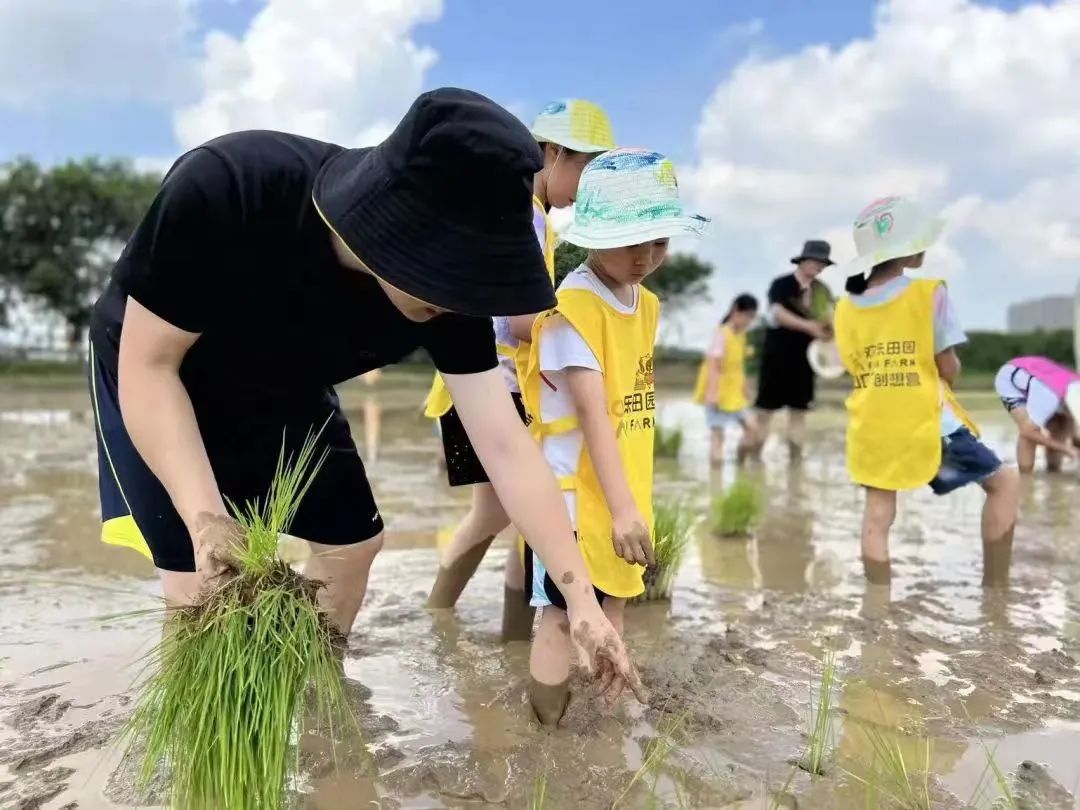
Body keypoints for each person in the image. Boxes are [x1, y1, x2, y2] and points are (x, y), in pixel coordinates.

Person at [88, 87, 643, 700]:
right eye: (450, 276)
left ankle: (314, 703)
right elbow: (150, 365)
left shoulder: (454, 296)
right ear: (398, 227)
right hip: (163, 365)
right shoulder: (230, 187)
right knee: (200, 586)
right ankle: (197, 738)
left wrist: (581, 601)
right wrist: (206, 517)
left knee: (353, 546)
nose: (459, 300)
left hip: (289, 376)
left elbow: (507, 447)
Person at [519, 148, 709, 724]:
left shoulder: (644, 304)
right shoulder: (574, 308)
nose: (645, 257)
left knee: (618, 601)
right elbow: (594, 417)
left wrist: (630, 504)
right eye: (631, 242)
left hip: (624, 487)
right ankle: (543, 735)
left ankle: (612, 729)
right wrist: (623, 510)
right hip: (572, 499)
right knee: (559, 617)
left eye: (659, 242)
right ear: (595, 236)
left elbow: (633, 411)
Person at [424, 99, 615, 643]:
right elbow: (516, 322)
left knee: (515, 517)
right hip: (489, 387)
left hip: (495, 386)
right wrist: (584, 326)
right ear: (553, 153)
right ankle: (441, 614)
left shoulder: (528, 214)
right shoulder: (523, 214)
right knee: (498, 515)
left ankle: (505, 635)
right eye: (585, 169)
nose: (587, 189)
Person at [834, 196, 1020, 587]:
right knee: (1004, 483)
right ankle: (996, 589)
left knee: (878, 516)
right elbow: (947, 366)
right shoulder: (929, 293)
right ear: (909, 249)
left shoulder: (845, 308)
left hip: (872, 426)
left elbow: (854, 365)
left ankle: (877, 604)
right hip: (926, 424)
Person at [749, 240, 834, 461]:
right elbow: (777, 314)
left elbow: (828, 318)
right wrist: (810, 327)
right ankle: (754, 460)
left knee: (799, 413)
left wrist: (829, 330)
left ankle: (796, 464)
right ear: (803, 260)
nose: (820, 266)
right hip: (776, 358)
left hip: (806, 361)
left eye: (823, 263)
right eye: (816, 261)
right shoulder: (781, 285)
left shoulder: (822, 291)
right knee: (765, 412)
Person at [692, 293, 759, 466]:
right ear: (736, 311)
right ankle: (716, 476)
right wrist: (712, 394)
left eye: (752, 317)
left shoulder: (741, 335)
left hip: (735, 391)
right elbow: (714, 366)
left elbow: (739, 365)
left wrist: (745, 388)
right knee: (718, 438)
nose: (749, 321)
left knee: (752, 427)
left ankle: (740, 465)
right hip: (718, 391)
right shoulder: (721, 334)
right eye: (747, 316)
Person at [994, 356, 1080, 473]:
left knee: (1062, 425)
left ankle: (1053, 471)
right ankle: (1026, 476)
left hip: (1047, 378)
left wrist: (1074, 440)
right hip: (1011, 378)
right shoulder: (1049, 397)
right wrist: (1067, 449)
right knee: (1030, 431)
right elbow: (1028, 432)